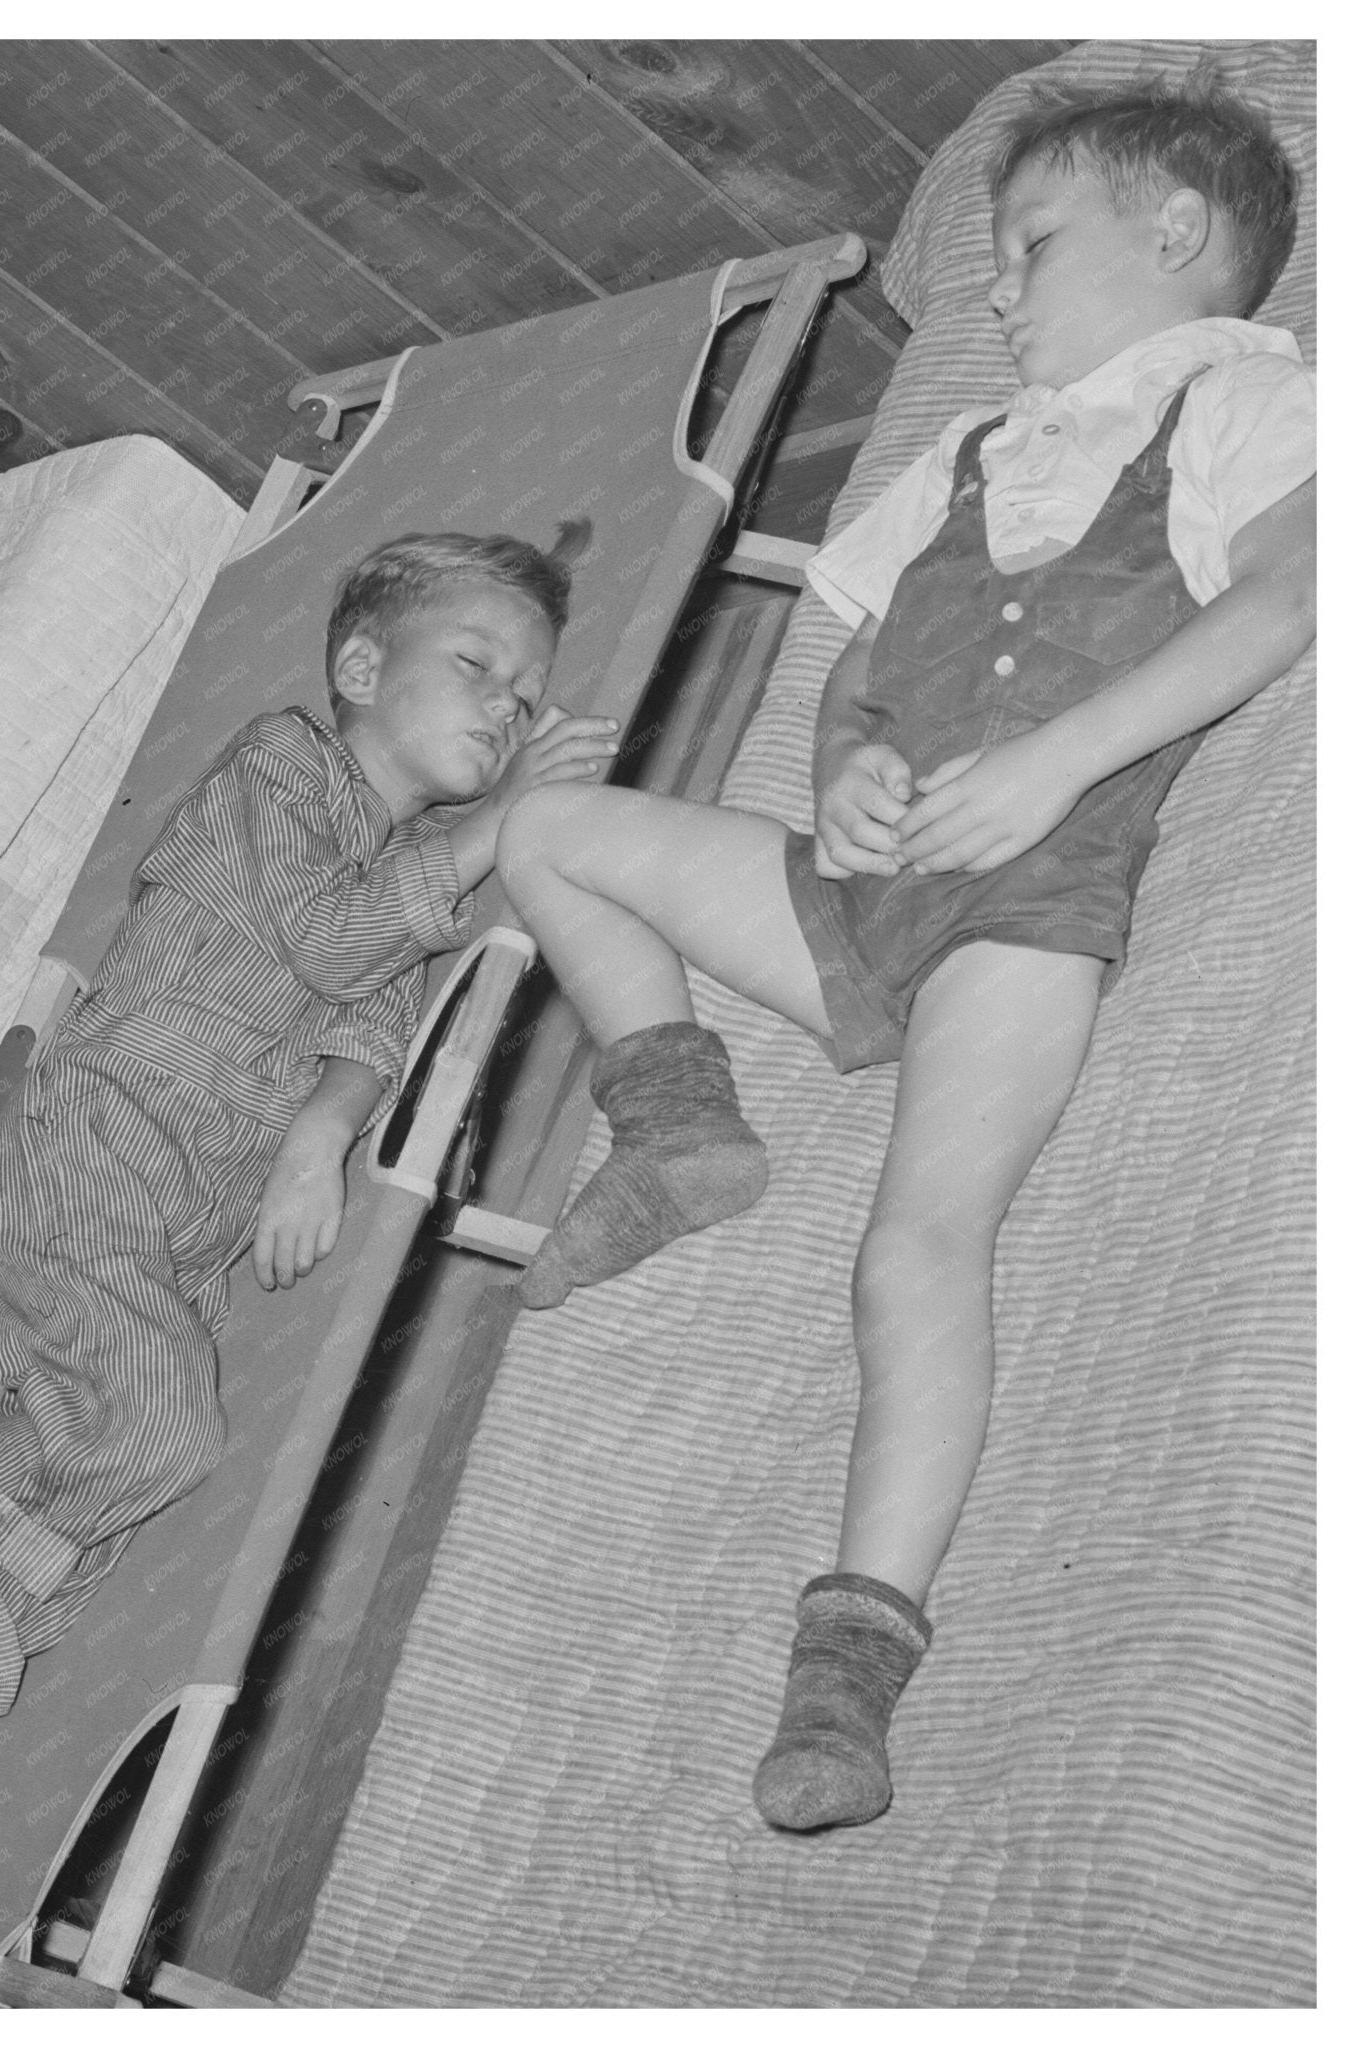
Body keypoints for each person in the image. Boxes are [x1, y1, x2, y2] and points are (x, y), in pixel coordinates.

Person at [493, 83, 1313, 1831]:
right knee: (546, 832)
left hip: (1021, 912)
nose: (996, 301)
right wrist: (844, 772)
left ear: (1173, 237)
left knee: (913, 1243)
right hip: (853, 886)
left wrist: (1055, 759)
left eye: (1026, 249)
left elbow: (1285, 598)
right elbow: (855, 676)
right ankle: (676, 1118)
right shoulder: (959, 454)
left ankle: (848, 1666)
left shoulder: (1246, 392)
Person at [0, 528, 621, 1972]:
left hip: (176, 1242)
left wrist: (318, 1136)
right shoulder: (275, 771)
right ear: (358, 668)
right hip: (91, 1159)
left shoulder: (410, 862)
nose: (508, 712)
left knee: (67, 1543)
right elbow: (336, 944)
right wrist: (504, 820)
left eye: (528, 701)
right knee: (162, 1431)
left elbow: (366, 1021)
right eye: (479, 669)